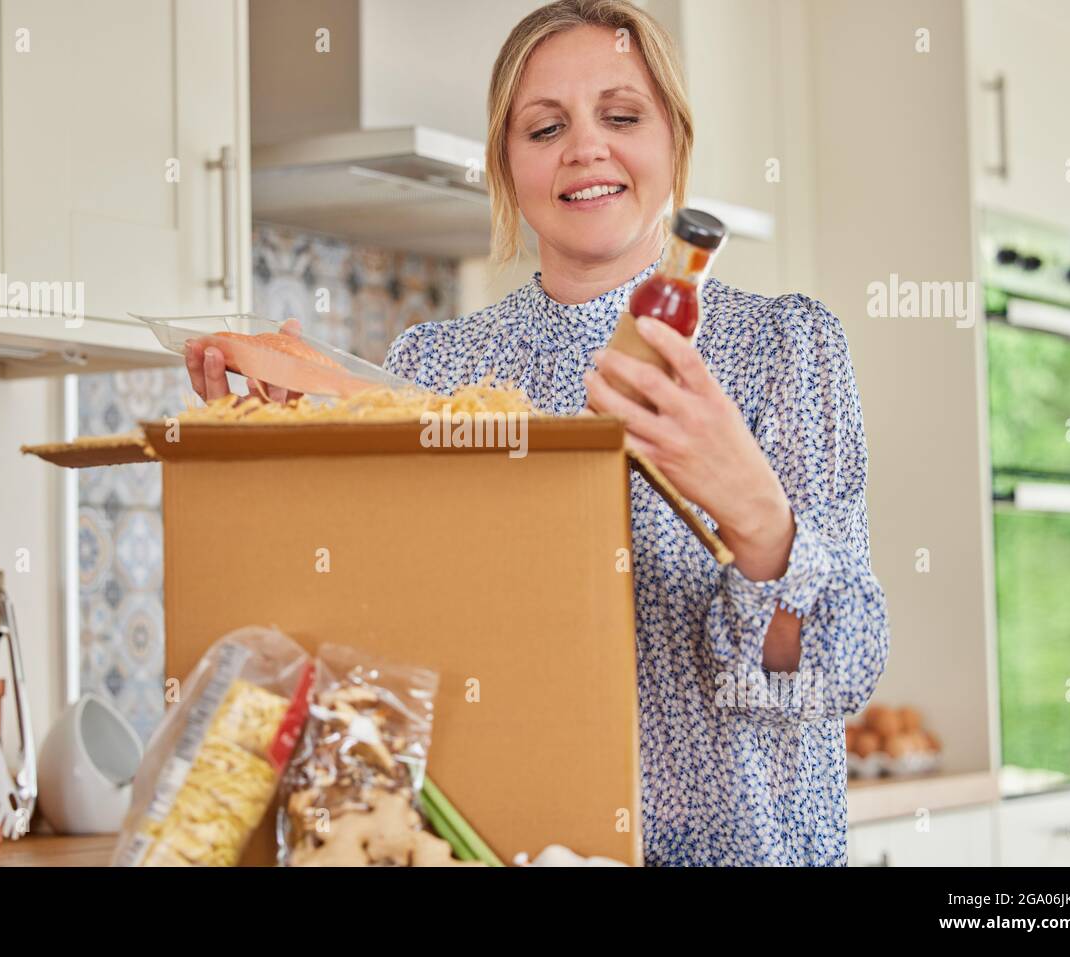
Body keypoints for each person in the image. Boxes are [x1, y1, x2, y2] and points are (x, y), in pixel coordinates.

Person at [188, 0, 890, 866]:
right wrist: (293, 466)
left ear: (674, 140)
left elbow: (831, 679)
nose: (585, 147)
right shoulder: (437, 362)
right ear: (506, 167)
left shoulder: (783, 349)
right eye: (544, 127)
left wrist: (758, 522)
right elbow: (391, 627)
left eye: (622, 116)